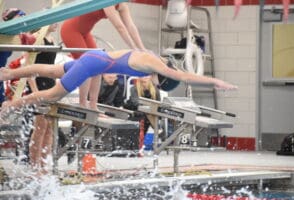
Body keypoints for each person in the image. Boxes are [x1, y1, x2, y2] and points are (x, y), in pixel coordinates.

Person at [0, 49, 237, 118]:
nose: (151, 82)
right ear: (163, 77)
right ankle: (10, 105)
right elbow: (185, 76)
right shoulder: (156, 65)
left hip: (96, 59)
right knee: (53, 94)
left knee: (52, 70)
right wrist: (215, 81)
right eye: (157, 83)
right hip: (94, 64)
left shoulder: (152, 58)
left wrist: (91, 105)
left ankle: (6, 74)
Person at [60, 2, 146, 111]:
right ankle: (82, 104)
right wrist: (134, 48)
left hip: (85, 33)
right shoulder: (108, 2)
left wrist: (142, 49)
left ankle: (93, 105)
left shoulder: (123, 5)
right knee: (87, 67)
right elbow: (120, 27)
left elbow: (131, 26)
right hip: (71, 30)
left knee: (98, 67)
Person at [26, 23, 59, 173]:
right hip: (38, 85)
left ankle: (45, 166)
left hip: (51, 85)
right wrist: (34, 92)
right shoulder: (35, 38)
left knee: (49, 129)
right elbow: (28, 67)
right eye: (55, 21)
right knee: (39, 129)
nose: (57, 24)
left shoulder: (52, 39)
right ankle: (35, 167)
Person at [0, 8, 35, 106]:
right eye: (21, 16)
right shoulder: (3, 34)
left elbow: (33, 42)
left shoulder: (16, 36)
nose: (23, 19)